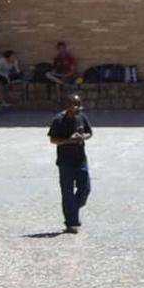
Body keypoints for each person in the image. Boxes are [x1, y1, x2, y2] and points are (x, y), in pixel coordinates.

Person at [48, 91, 94, 233]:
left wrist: (83, 137)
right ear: (68, 106)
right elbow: (53, 139)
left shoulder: (82, 117)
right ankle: (71, 222)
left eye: (80, 105)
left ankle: (72, 210)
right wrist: (69, 140)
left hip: (80, 160)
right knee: (67, 192)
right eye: (76, 105)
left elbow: (89, 132)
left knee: (85, 189)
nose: (79, 108)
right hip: (65, 162)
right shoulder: (58, 120)